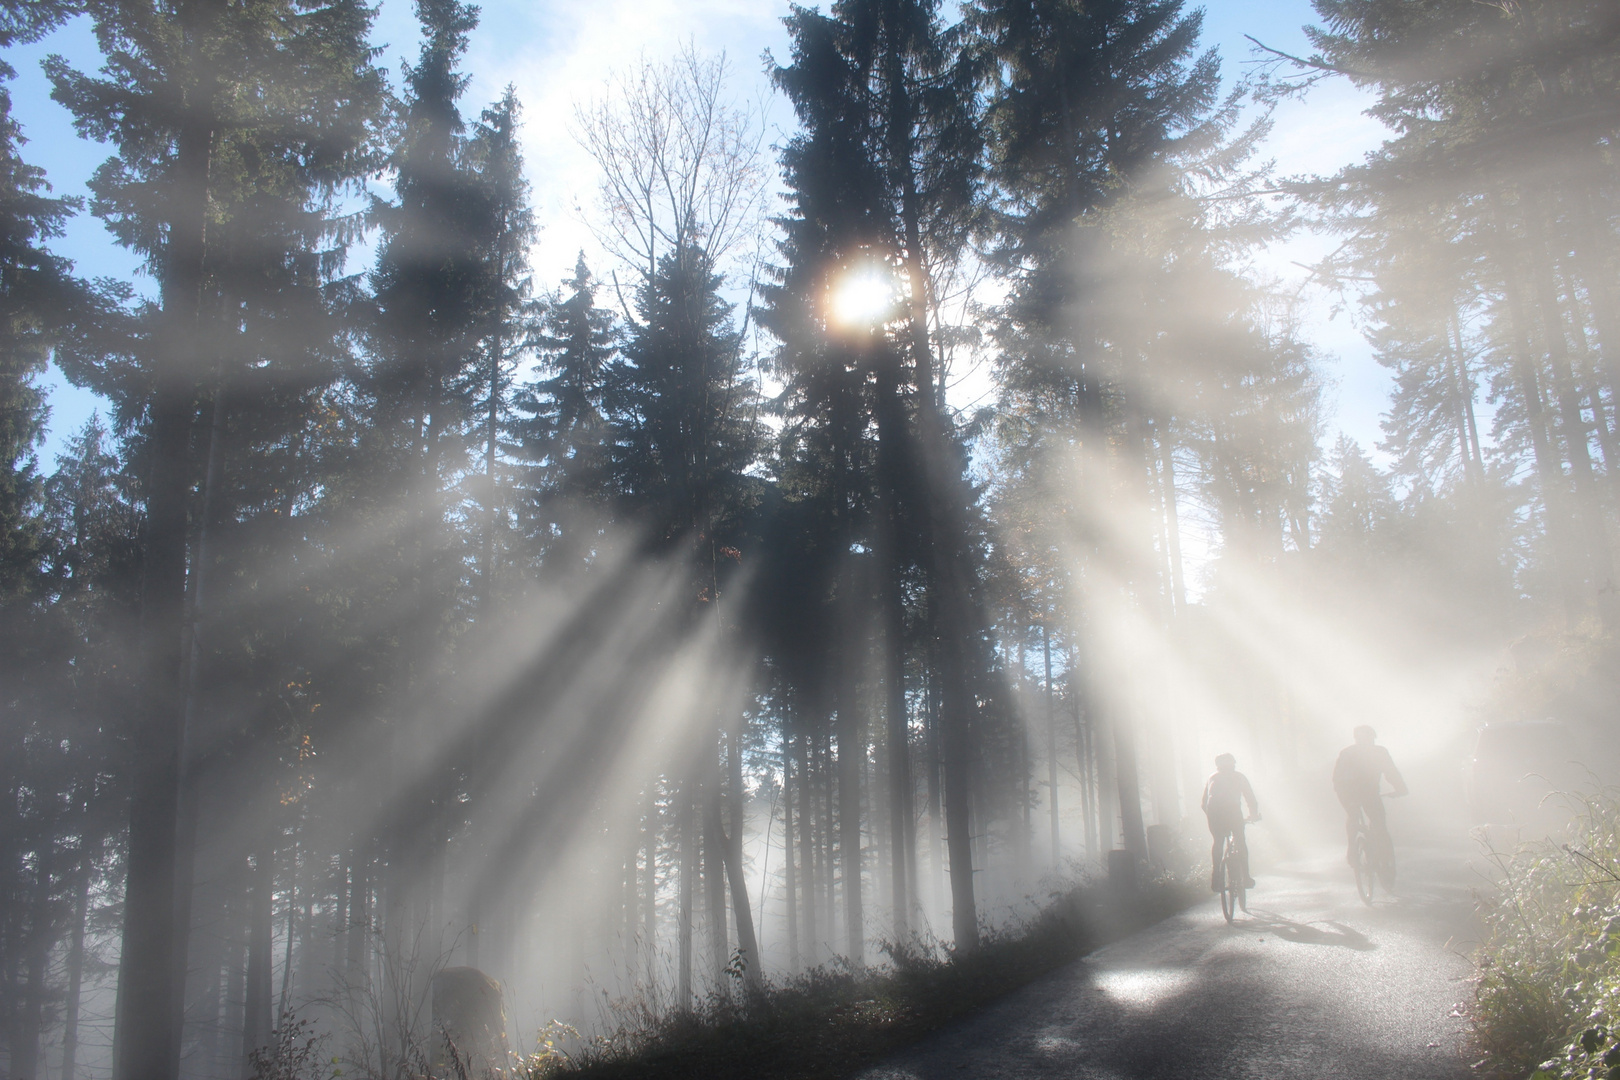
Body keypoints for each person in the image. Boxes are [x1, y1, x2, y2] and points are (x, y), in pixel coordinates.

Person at [1333, 725, 1407, 869]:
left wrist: (1400, 787)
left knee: (1364, 818)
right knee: (1364, 818)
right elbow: (1391, 772)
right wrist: (1400, 789)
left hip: (1358, 792)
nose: (1367, 742)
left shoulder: (1352, 752)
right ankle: (1356, 849)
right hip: (1356, 792)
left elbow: (1391, 772)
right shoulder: (1376, 752)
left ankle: (1361, 849)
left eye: (1369, 738)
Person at [1202, 753, 1260, 892]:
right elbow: (1250, 798)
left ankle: (1215, 880)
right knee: (1240, 840)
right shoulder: (1239, 777)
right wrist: (1253, 815)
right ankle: (1246, 877)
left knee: (1218, 841)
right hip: (1233, 812)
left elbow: (1203, 804)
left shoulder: (1212, 778)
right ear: (1233, 764)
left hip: (1214, 813)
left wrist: (1211, 816)